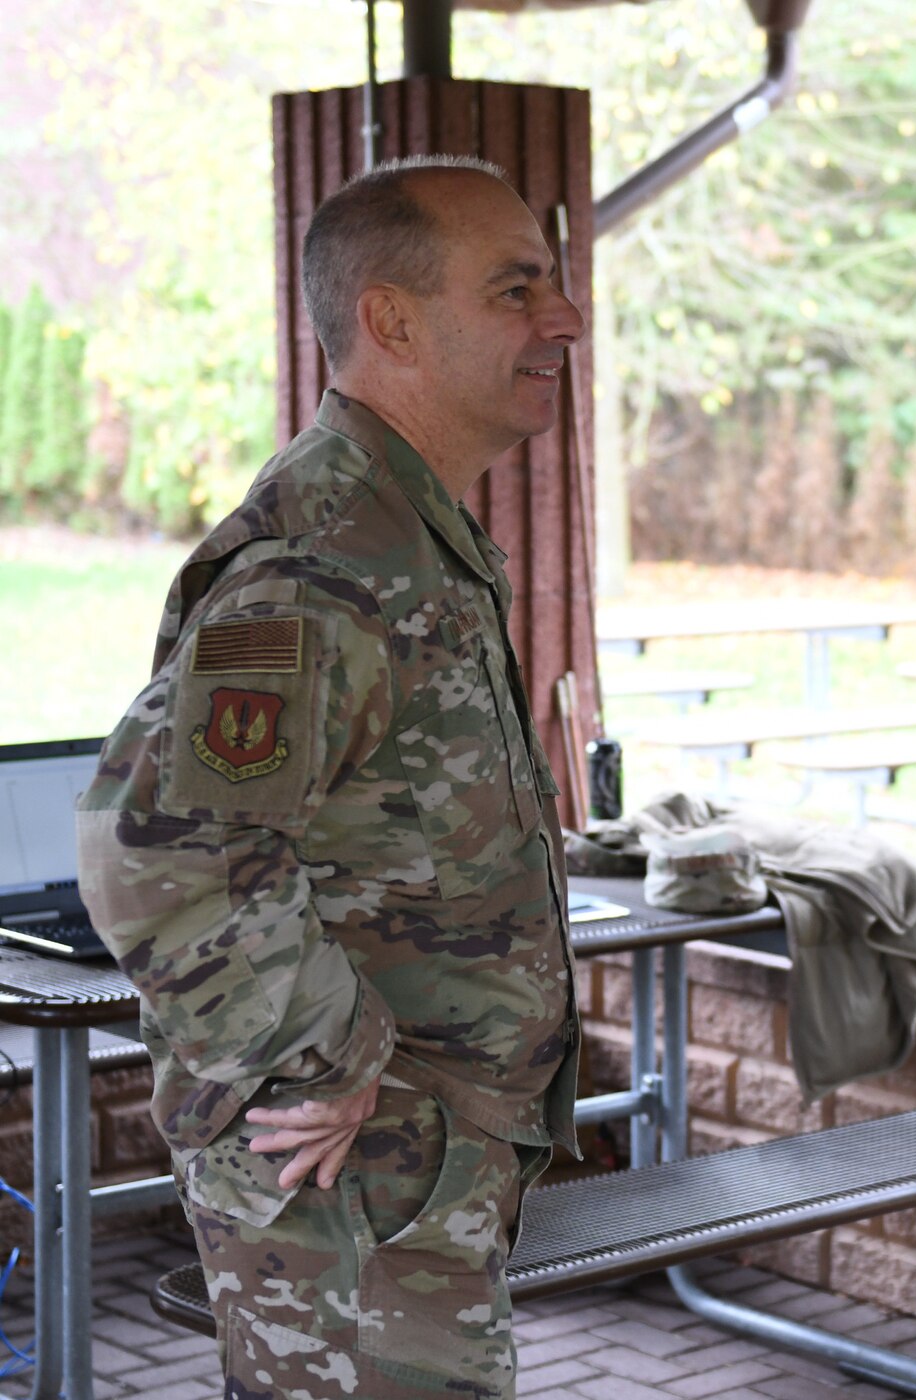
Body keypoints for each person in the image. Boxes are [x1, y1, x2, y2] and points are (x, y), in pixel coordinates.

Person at [76, 154, 585, 1400]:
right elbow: (157, 848)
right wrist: (325, 1051)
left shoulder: (405, 528)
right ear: (392, 321)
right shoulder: (329, 557)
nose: (562, 317)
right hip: (355, 1175)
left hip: (411, 1166)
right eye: (517, 289)